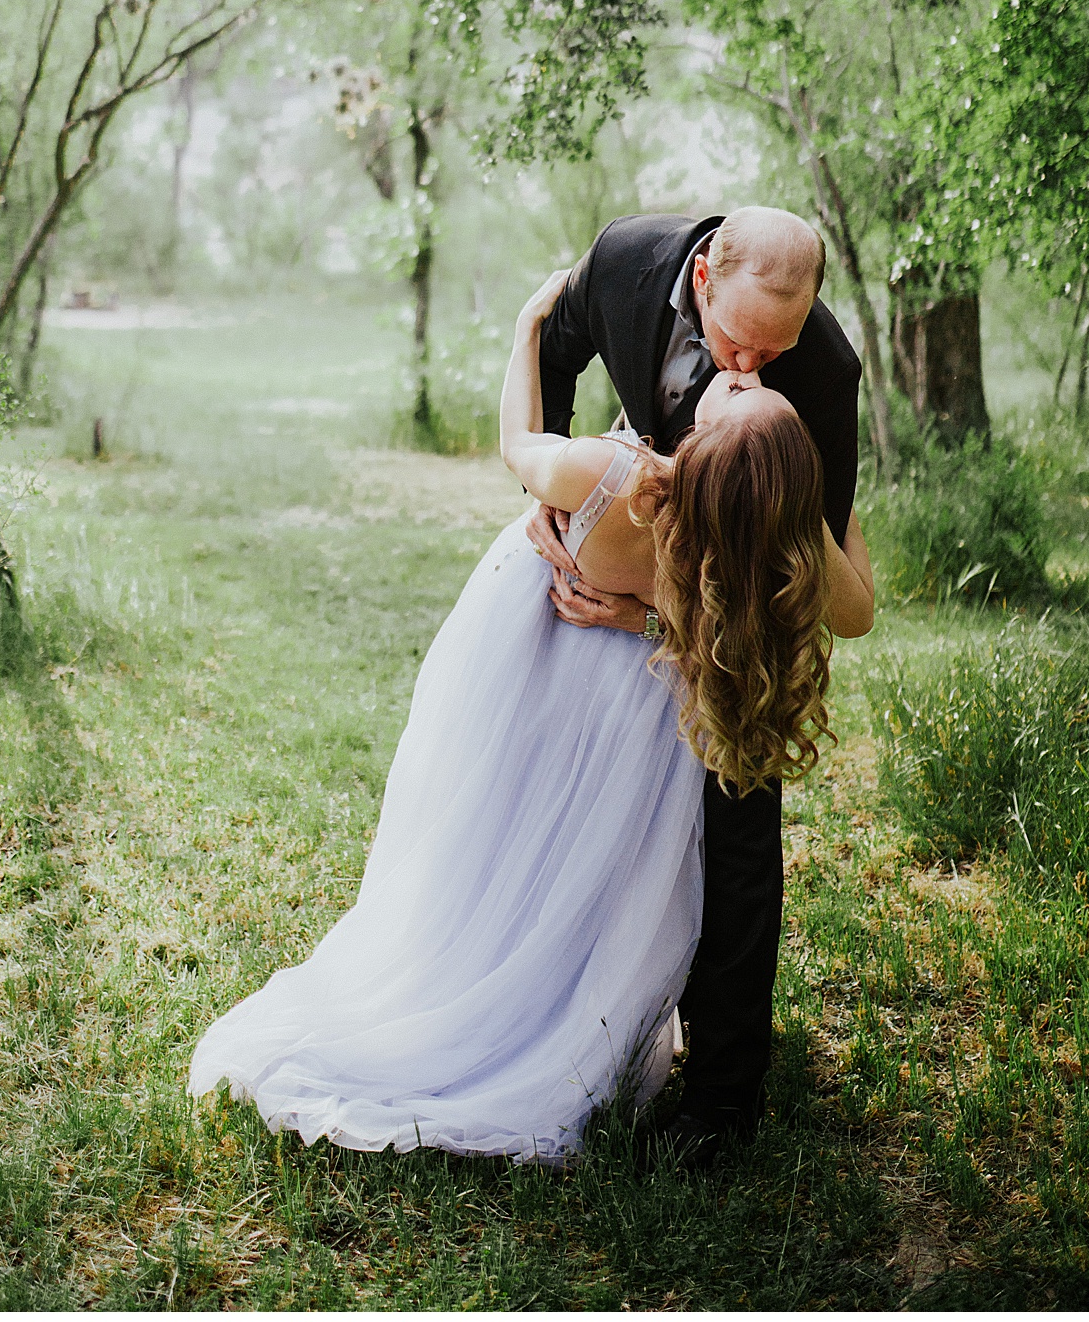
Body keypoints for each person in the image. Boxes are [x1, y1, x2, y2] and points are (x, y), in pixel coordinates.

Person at [185, 264, 874, 1164]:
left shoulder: (612, 472)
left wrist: (523, 334)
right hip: (648, 686)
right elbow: (851, 609)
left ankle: (503, 999)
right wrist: (820, 502)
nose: (737, 375)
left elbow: (521, 445)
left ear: (703, 450)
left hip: (539, 642)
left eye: (742, 395)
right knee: (594, 859)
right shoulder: (742, 557)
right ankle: (566, 1017)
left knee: (517, 836)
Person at [529, 204, 870, 1169]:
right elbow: (554, 352)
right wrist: (551, 503)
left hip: (741, 617)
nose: (753, 368)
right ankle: (586, 1020)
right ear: (704, 280)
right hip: (629, 550)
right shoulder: (626, 262)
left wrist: (674, 627)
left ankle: (723, 1097)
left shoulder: (825, 371)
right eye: (737, 342)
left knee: (738, 823)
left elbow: (811, 561)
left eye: (779, 349)